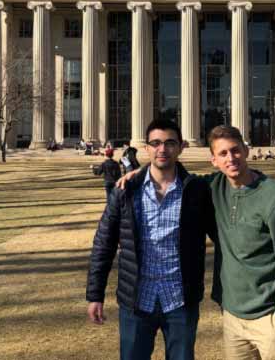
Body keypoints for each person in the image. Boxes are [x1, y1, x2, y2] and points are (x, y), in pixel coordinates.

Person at [86, 119, 214, 360]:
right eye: (155, 143)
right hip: (137, 300)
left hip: (179, 300)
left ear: (181, 147)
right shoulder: (125, 190)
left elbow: (233, 177)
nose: (162, 149)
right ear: (146, 148)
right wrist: (95, 295)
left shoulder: (197, 190)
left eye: (169, 143)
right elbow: (104, 244)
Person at [206, 125, 275, 360]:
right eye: (222, 154)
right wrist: (140, 172)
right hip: (232, 317)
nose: (230, 158)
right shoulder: (214, 188)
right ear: (214, 160)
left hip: (270, 317)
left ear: (246, 150)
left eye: (235, 150)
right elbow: (174, 177)